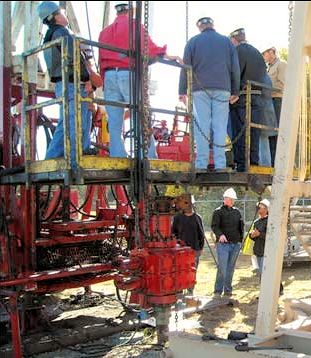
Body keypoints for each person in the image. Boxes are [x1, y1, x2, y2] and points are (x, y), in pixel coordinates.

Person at [98, 2, 178, 158]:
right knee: (140, 115)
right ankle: (147, 155)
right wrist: (164, 54)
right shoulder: (134, 25)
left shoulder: (104, 32)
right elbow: (148, 48)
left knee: (114, 121)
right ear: (131, 11)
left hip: (109, 76)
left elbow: (101, 57)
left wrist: (104, 79)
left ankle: (117, 155)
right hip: (127, 73)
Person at [178, 17, 240, 171]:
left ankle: (201, 164)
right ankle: (220, 165)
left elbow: (186, 67)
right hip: (222, 89)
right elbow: (235, 68)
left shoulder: (193, 42)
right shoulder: (226, 42)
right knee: (219, 127)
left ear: (200, 28)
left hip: (200, 90)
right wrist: (235, 90)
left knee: (201, 127)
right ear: (213, 25)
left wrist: (182, 90)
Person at [37, 1, 93, 168]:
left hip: (61, 84)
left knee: (66, 122)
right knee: (77, 120)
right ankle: (77, 160)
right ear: (54, 17)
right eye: (60, 12)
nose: (64, 15)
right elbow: (74, 57)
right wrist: (87, 79)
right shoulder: (62, 32)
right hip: (72, 83)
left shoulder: (49, 35)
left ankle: (50, 159)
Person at [229, 28, 267, 172]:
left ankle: (241, 164)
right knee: (254, 131)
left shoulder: (238, 51)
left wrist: (234, 92)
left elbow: (236, 73)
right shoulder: (257, 53)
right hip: (257, 96)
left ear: (234, 39)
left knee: (240, 131)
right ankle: (254, 163)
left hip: (242, 97)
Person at [211, 188, 244, 297]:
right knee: (222, 268)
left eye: (233, 199)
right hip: (223, 245)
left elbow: (241, 227)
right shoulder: (218, 212)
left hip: (235, 244)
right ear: (225, 199)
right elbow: (214, 226)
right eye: (230, 199)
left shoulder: (237, 212)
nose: (232, 201)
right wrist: (220, 235)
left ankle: (228, 290)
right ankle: (217, 291)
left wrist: (240, 241)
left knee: (230, 268)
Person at [250, 199, 284, 295]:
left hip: (268, 251)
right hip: (258, 250)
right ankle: (266, 292)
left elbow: (271, 236)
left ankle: (275, 290)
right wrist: (252, 235)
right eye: (258, 207)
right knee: (262, 273)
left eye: (260, 207)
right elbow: (254, 236)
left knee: (269, 273)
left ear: (266, 209)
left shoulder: (271, 221)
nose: (258, 208)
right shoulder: (256, 222)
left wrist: (259, 234)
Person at [172, 194, 205, 295]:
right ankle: (179, 292)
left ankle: (190, 292)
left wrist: (200, 249)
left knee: (192, 272)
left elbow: (201, 234)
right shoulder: (178, 218)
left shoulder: (197, 218)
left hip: (194, 250)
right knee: (180, 271)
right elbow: (173, 232)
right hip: (181, 251)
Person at [262, 47, 287, 167]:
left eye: (264, 53)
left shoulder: (281, 65)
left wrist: (267, 88)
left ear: (271, 52)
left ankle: (278, 163)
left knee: (277, 132)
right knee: (271, 132)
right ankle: (272, 162)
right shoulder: (269, 68)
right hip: (269, 101)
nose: (263, 56)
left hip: (277, 100)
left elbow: (283, 85)